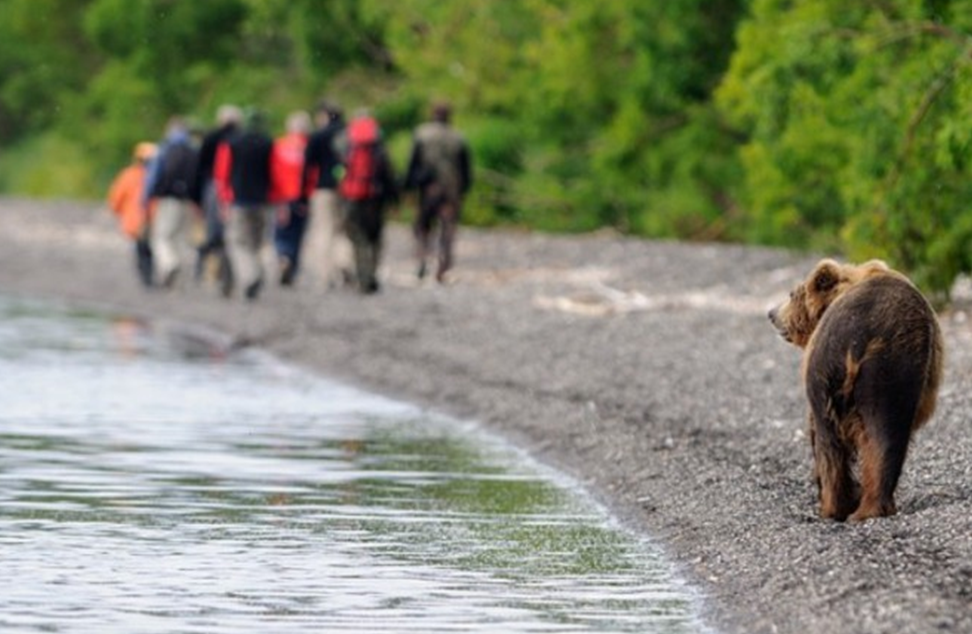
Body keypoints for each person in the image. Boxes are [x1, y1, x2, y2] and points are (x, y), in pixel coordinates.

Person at [403, 101, 473, 283]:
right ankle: (443, 267)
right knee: (447, 229)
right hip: (451, 190)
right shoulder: (458, 137)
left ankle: (422, 259)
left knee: (423, 227)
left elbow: (413, 163)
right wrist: (464, 189)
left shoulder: (421, 133)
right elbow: (466, 169)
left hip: (427, 189)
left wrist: (408, 186)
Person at [214, 109, 274, 300]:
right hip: (263, 201)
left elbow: (222, 174)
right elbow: (276, 172)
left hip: (238, 201)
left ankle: (250, 276)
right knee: (257, 242)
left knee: (238, 242)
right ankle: (261, 272)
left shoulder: (231, 144)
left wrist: (223, 200)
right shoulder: (268, 143)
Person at [338, 111, 398, 294]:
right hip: (376, 200)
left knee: (359, 240)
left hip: (353, 199)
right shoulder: (379, 148)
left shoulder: (346, 145)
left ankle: (363, 278)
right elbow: (389, 176)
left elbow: (340, 173)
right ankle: (371, 273)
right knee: (376, 239)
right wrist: (394, 200)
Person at [301, 99, 354, 288]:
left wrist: (302, 195)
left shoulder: (318, 136)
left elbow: (307, 167)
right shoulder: (350, 134)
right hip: (348, 190)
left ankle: (325, 276)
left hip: (323, 189)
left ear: (324, 115)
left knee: (324, 230)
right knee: (342, 230)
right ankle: (345, 263)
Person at [143, 117, 200, 289]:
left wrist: (146, 199)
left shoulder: (165, 149)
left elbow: (154, 176)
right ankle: (179, 281)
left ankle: (170, 264)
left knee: (161, 237)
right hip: (188, 201)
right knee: (181, 239)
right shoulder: (194, 150)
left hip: (168, 199)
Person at [194, 104, 242, 288]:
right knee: (228, 234)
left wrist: (196, 196)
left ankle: (209, 268)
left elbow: (199, 168)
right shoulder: (241, 138)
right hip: (236, 191)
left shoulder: (212, 137)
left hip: (214, 188)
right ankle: (222, 273)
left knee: (215, 232)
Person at [270, 111, 312, 286]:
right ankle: (292, 267)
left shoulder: (279, 145)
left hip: (282, 196)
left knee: (281, 233)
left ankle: (283, 257)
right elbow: (312, 174)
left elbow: (272, 172)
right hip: (302, 197)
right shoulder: (309, 146)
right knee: (298, 234)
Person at [107, 142, 157, 288]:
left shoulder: (129, 175)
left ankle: (146, 277)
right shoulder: (156, 175)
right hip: (151, 218)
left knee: (140, 249)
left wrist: (115, 210)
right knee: (148, 248)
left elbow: (116, 196)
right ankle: (148, 276)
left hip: (135, 220)